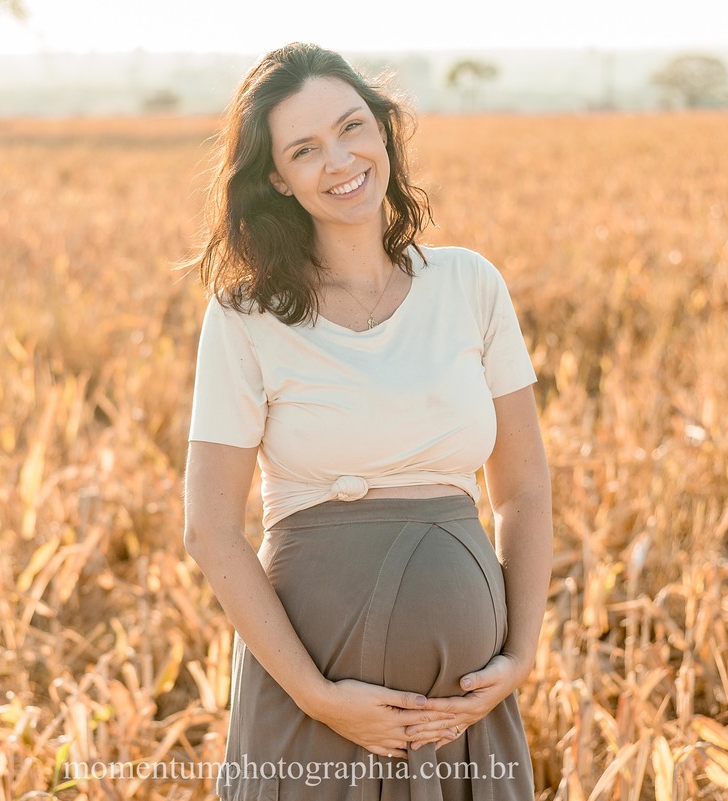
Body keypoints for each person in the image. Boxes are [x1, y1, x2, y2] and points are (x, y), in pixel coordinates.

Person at [181, 42, 553, 801]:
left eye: (352, 127)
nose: (340, 159)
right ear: (277, 179)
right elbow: (209, 528)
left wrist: (519, 654)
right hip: (315, 699)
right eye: (305, 149)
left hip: (463, 710)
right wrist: (320, 696)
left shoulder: (470, 285)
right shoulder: (244, 317)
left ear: (383, 130)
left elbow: (524, 489)